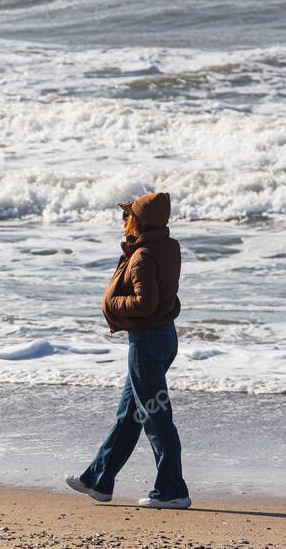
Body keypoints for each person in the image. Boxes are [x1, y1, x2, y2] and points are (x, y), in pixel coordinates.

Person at [65, 191, 191, 509]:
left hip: (147, 343)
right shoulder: (168, 247)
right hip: (162, 338)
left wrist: (110, 303)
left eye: (128, 215)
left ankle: (172, 490)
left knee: (155, 417)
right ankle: (99, 480)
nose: (124, 220)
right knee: (129, 416)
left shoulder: (143, 256)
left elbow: (144, 303)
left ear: (140, 221)